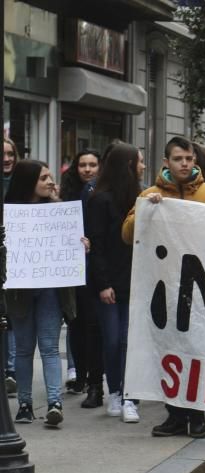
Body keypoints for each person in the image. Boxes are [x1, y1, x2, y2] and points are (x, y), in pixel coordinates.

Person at [123, 136, 205, 438]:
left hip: (199, 288)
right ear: (166, 162)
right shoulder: (150, 194)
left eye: (189, 159)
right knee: (167, 353)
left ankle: (197, 415)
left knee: (195, 352)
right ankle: (176, 415)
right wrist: (145, 212)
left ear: (195, 161)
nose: (184, 164)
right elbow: (128, 235)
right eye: (178, 159)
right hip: (162, 287)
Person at [6, 160, 81, 427]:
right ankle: (25, 404)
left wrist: (80, 244)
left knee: (49, 348)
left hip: (50, 289)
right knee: (25, 349)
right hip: (19, 292)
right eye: (44, 178)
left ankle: (54, 403)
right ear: (29, 183)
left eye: (50, 177)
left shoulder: (60, 212)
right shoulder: (10, 214)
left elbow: (71, 249)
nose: (51, 182)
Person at [87, 143, 146, 424]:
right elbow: (96, 244)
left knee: (127, 341)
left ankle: (130, 398)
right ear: (128, 166)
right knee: (111, 341)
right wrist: (103, 283)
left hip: (134, 280)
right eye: (139, 162)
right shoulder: (100, 200)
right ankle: (114, 391)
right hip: (109, 282)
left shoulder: (141, 197)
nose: (143, 167)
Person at [60, 150, 105, 407]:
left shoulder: (100, 194)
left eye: (92, 165)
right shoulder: (67, 195)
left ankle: (92, 379)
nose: (87, 169)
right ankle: (79, 375)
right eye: (82, 165)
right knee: (75, 324)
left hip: (91, 269)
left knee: (90, 325)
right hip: (70, 269)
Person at [3, 138, 20, 395]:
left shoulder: (22, 183)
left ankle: (11, 369)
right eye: (1, 154)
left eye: (10, 154)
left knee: (12, 316)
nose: (6, 159)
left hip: (19, 260)